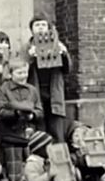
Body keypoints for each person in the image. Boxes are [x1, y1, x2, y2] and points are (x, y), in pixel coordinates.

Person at [0, 58, 43, 181]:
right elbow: (1, 111)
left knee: (32, 172)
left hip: (30, 137)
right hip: (11, 136)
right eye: (19, 72)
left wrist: (33, 115)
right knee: (14, 175)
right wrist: (15, 114)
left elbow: (40, 110)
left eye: (25, 72)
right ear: (11, 74)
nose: (23, 75)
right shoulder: (4, 89)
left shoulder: (32, 90)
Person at [23, 12, 72, 143]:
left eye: (43, 25)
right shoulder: (26, 48)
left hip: (54, 93)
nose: (40, 28)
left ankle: (58, 159)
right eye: (36, 25)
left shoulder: (57, 45)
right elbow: (19, 71)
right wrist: (29, 57)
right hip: (36, 93)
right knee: (39, 130)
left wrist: (64, 54)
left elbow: (67, 70)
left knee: (56, 130)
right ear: (31, 29)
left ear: (48, 28)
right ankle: (41, 159)